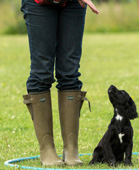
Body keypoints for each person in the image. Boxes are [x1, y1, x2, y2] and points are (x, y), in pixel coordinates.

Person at [21, 0, 99, 166]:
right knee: (41, 72)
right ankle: (47, 150)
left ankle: (71, 149)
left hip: (73, 3)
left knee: (70, 72)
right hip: (39, 3)